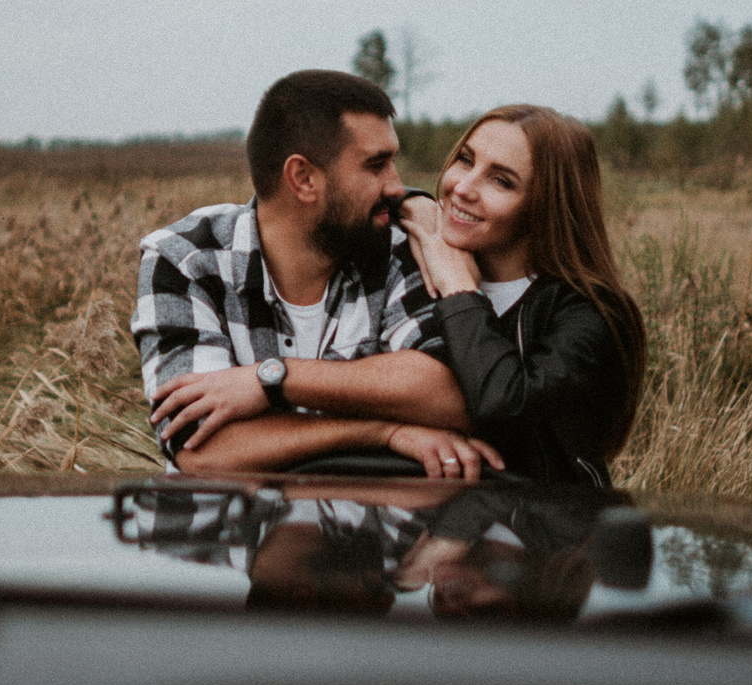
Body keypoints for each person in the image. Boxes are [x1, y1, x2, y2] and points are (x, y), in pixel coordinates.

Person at [134, 69, 505, 479]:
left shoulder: (400, 246)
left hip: (373, 532)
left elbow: (451, 396)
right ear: (304, 178)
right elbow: (202, 450)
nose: (397, 186)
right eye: (376, 165)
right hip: (233, 536)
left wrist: (270, 380)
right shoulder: (186, 259)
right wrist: (382, 430)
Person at [398, 104, 647, 487]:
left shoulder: (588, 312)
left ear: (546, 205)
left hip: (546, 532)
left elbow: (505, 405)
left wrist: (459, 289)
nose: (463, 188)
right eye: (465, 160)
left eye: (502, 181)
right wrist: (413, 201)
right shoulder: (418, 258)